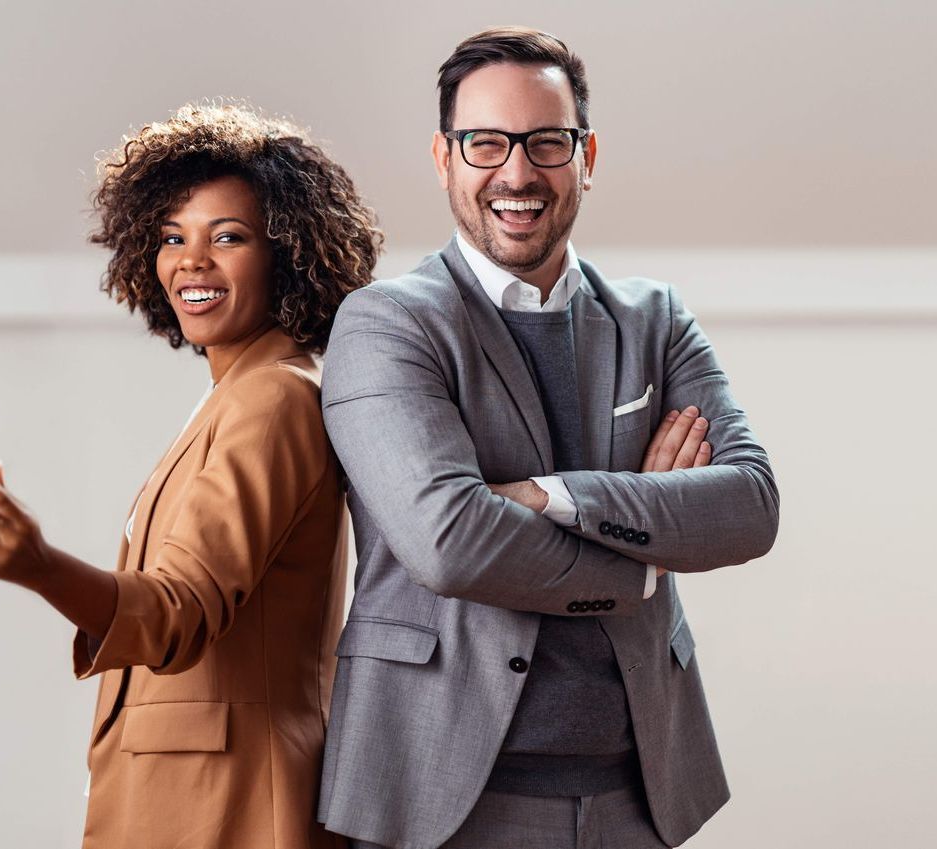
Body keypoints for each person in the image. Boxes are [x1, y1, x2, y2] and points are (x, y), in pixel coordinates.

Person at [317, 27, 779, 849]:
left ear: (586, 155)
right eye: (485, 142)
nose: (517, 173)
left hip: (639, 793)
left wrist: (548, 496)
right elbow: (450, 542)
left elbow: (748, 506)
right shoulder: (387, 323)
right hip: (443, 797)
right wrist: (644, 552)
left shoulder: (655, 319)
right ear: (443, 157)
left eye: (546, 142)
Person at [0, 103, 381, 849]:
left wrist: (39, 565)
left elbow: (178, 611)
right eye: (170, 237)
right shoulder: (242, 394)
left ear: (287, 252)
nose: (191, 260)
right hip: (198, 795)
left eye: (228, 236)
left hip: (234, 804)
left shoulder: (274, 398)